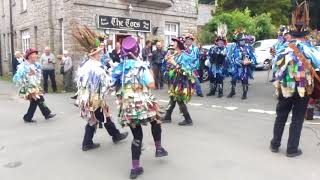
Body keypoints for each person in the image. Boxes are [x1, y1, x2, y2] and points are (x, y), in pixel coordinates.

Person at [111, 36, 168, 179]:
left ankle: (135, 168)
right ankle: (159, 148)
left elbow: (112, 85)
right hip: (143, 102)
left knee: (137, 136)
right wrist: (147, 71)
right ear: (136, 50)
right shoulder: (141, 66)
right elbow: (151, 85)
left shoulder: (120, 67)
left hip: (127, 105)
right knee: (156, 120)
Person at [270, 1, 320, 157]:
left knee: (281, 115)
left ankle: (275, 144)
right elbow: (318, 65)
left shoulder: (283, 47)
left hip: (285, 87)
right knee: (297, 118)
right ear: (306, 34)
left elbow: (275, 68)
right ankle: (292, 149)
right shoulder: (311, 49)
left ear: (290, 33)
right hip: (303, 88)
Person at [72, 26, 128, 152]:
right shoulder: (96, 67)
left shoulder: (84, 64)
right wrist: (115, 82)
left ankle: (114, 135)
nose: (101, 54)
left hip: (88, 97)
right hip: (94, 98)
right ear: (95, 54)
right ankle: (89, 142)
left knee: (102, 116)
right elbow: (106, 84)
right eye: (99, 52)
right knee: (97, 118)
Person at [13, 48, 56, 123]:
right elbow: (16, 78)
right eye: (34, 54)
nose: (36, 56)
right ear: (29, 56)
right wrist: (25, 79)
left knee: (35, 101)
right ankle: (46, 113)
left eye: (36, 54)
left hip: (35, 86)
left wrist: (36, 81)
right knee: (39, 99)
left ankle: (28, 117)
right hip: (28, 87)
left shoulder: (37, 65)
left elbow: (38, 76)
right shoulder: (23, 66)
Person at [162, 37, 195, 126]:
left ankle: (188, 119)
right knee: (173, 98)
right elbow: (170, 66)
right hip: (175, 80)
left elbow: (186, 71)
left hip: (182, 82)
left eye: (175, 42)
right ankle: (167, 117)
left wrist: (174, 63)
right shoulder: (175, 54)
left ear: (179, 45)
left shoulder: (185, 55)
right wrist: (167, 61)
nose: (173, 43)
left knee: (179, 99)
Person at [226, 30, 257, 100]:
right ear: (237, 41)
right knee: (233, 79)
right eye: (240, 40)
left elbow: (253, 57)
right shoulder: (234, 48)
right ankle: (232, 91)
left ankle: (244, 93)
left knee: (244, 80)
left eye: (243, 40)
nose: (242, 41)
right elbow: (232, 58)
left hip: (245, 68)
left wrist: (251, 61)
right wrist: (241, 62)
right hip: (236, 67)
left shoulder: (248, 48)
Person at [206, 24, 228, 97]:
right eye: (219, 42)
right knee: (212, 78)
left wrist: (221, 57)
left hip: (220, 67)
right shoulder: (212, 48)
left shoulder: (225, 49)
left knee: (219, 79)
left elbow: (226, 58)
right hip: (212, 66)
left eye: (222, 42)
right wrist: (210, 59)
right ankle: (212, 91)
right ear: (217, 42)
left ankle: (220, 92)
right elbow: (208, 55)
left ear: (224, 43)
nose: (220, 43)